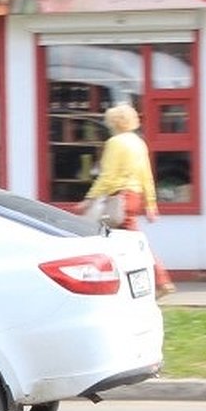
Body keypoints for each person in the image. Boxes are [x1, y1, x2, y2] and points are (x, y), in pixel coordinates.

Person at [76, 102, 175, 297]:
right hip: (134, 197)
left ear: (113, 121)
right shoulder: (139, 143)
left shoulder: (115, 143)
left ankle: (161, 281)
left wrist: (90, 198)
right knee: (125, 243)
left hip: (119, 198)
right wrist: (150, 204)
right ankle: (143, 283)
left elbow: (108, 176)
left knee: (128, 243)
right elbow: (146, 175)